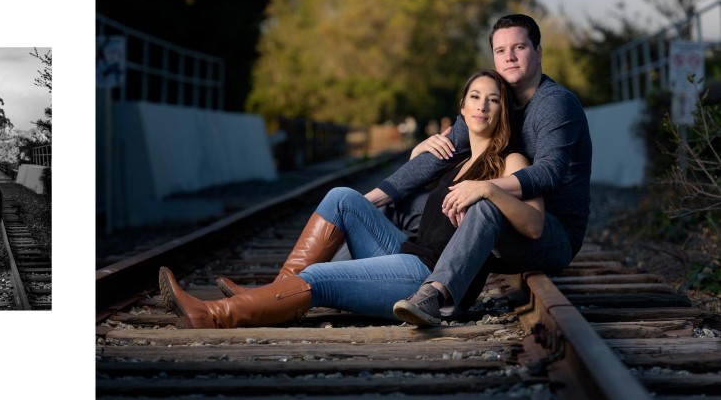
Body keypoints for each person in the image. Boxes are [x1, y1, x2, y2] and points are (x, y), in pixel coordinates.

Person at [158, 69, 546, 329]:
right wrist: (417, 156)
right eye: (474, 97)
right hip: (405, 252)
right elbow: (410, 207)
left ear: (502, 112)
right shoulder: (452, 159)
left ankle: (212, 315)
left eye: (492, 99)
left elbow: (533, 224)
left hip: (425, 278)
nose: (482, 105)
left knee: (317, 279)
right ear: (461, 108)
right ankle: (275, 290)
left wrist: (490, 188)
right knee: (341, 196)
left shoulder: (510, 160)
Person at [388, 14, 592, 326]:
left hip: (551, 232)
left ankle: (435, 296)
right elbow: (444, 154)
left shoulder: (554, 103)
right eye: (500, 50)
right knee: (408, 204)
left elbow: (549, 172)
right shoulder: (492, 98)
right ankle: (374, 270)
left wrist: (486, 187)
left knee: (485, 206)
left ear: (538, 52)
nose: (509, 57)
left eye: (519, 47)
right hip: (504, 224)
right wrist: (380, 194)